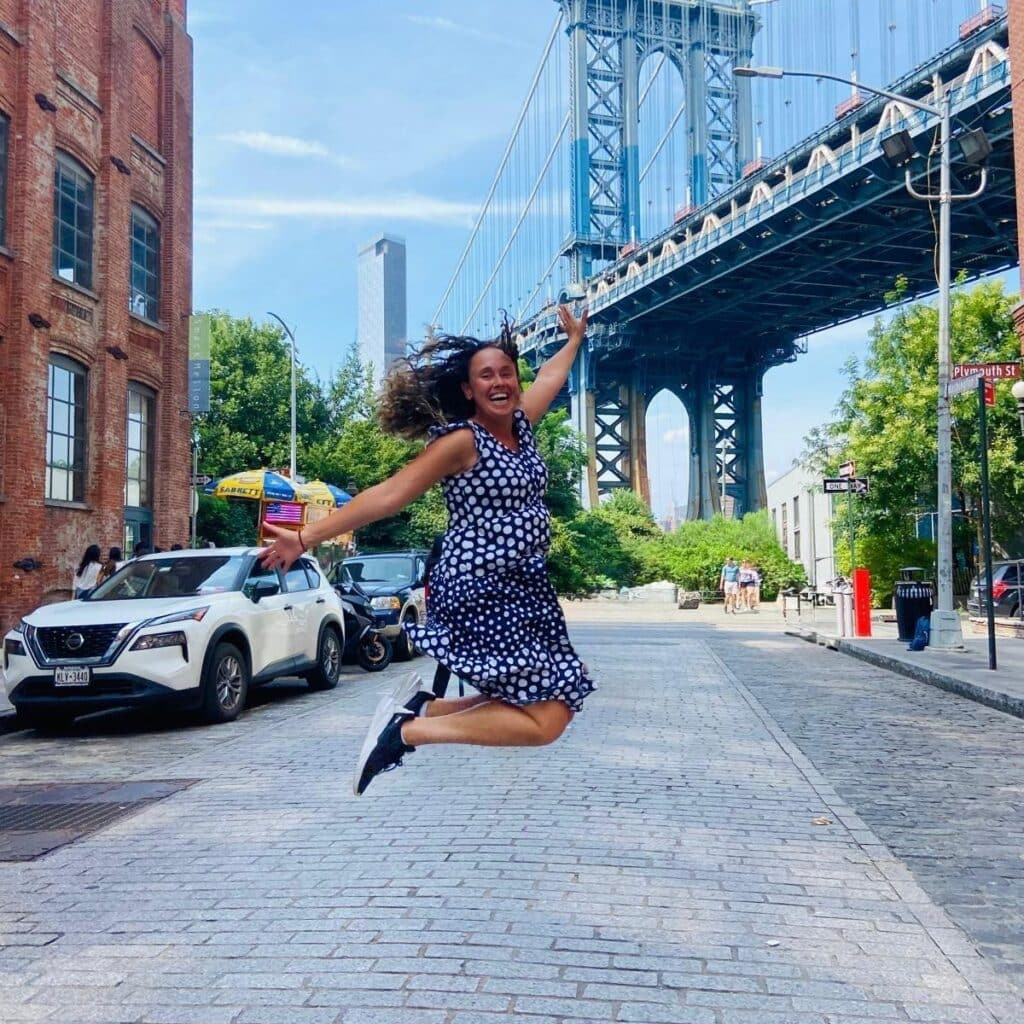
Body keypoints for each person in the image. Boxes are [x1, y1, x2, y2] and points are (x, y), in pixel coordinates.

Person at [260, 306, 596, 797]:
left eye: (506, 373)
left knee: (552, 697)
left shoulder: (521, 425)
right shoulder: (463, 441)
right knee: (546, 718)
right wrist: (306, 537)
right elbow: (390, 494)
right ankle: (407, 731)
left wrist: (573, 341)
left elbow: (549, 376)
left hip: (526, 589)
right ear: (468, 389)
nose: (499, 382)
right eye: (486, 375)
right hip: (481, 586)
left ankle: (423, 711)